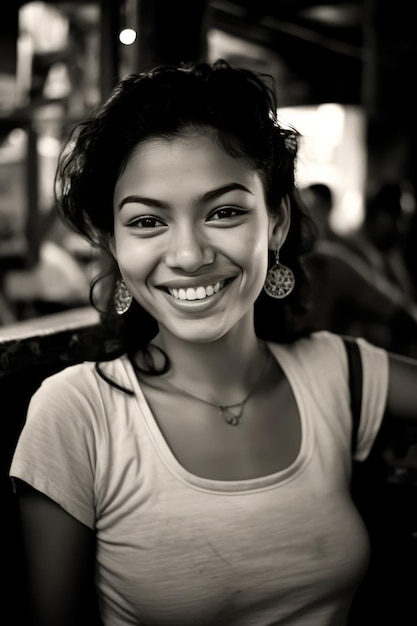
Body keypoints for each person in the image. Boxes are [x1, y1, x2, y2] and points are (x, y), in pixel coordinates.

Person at [8, 59, 417, 626]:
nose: (189, 255)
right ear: (113, 243)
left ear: (273, 223)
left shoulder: (339, 372)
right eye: (148, 222)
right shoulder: (78, 412)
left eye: (224, 212)